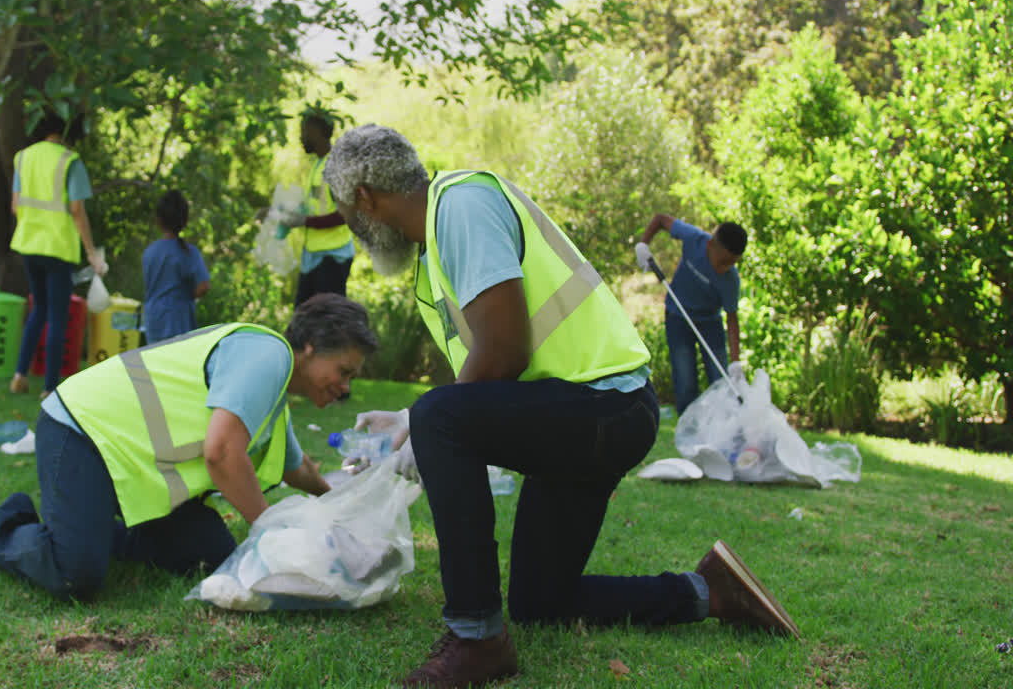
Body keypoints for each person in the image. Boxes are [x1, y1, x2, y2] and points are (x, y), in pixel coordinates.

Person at [323, 125, 797, 689]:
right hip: (583, 416)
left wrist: (427, 424)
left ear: (365, 200)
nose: (354, 228)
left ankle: (476, 639)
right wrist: (409, 424)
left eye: (347, 214)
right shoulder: (437, 249)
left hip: (604, 405)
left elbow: (504, 349)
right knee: (539, 600)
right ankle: (707, 592)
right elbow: (483, 370)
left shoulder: (461, 205)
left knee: (438, 417)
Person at [0, 293, 378, 599]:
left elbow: (298, 467)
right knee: (75, 575)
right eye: (344, 371)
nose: (345, 387)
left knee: (211, 552)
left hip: (125, 464)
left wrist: (339, 507)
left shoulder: (273, 399)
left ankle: (90, 530)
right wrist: (271, 534)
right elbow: (221, 453)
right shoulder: (267, 354)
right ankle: (9, 523)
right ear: (309, 344)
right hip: (82, 431)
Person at [9, 109, 107, 400]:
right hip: (58, 248)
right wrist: (91, 253)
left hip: (28, 244)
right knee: (58, 317)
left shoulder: (23, 157)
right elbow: (77, 210)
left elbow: (16, 205)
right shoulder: (70, 162)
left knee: (38, 310)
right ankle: (50, 387)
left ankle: (19, 376)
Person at [635, 214, 747, 414]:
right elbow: (661, 220)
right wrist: (643, 245)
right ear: (711, 245)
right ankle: (689, 432)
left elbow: (732, 319)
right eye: (723, 262)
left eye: (731, 263)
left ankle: (722, 430)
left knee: (721, 382)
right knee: (685, 381)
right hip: (678, 316)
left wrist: (736, 361)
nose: (725, 268)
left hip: (710, 324)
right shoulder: (694, 239)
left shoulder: (731, 280)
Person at [278, 110, 355, 306]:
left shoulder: (335, 167)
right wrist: (280, 214)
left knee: (326, 320)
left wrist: (304, 221)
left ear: (317, 132)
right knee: (304, 315)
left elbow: (344, 215)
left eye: (304, 132)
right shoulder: (318, 166)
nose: (300, 138)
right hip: (315, 255)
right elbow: (316, 206)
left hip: (332, 257)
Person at [141, 189, 210, 343]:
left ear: (158, 220)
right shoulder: (188, 252)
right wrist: (189, 296)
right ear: (184, 221)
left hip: (153, 320)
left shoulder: (149, 252)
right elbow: (204, 285)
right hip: (179, 320)